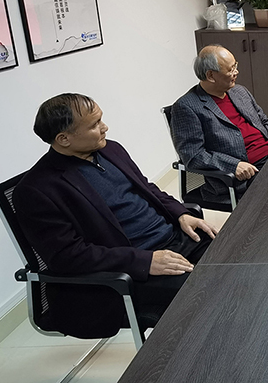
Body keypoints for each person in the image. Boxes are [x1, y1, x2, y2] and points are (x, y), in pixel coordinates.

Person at [14, 93, 218, 338]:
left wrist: (181, 213)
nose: (105, 127)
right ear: (64, 139)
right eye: (94, 124)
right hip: (128, 268)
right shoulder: (37, 189)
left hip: (174, 238)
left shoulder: (112, 149)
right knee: (207, 293)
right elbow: (68, 256)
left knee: (237, 258)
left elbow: (147, 188)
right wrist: (144, 261)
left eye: (101, 119)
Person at [170, 44, 268, 204]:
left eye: (235, 66)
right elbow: (193, 155)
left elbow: (263, 121)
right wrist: (233, 165)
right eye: (230, 70)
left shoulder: (240, 91)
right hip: (249, 171)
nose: (236, 72)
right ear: (211, 75)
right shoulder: (186, 107)